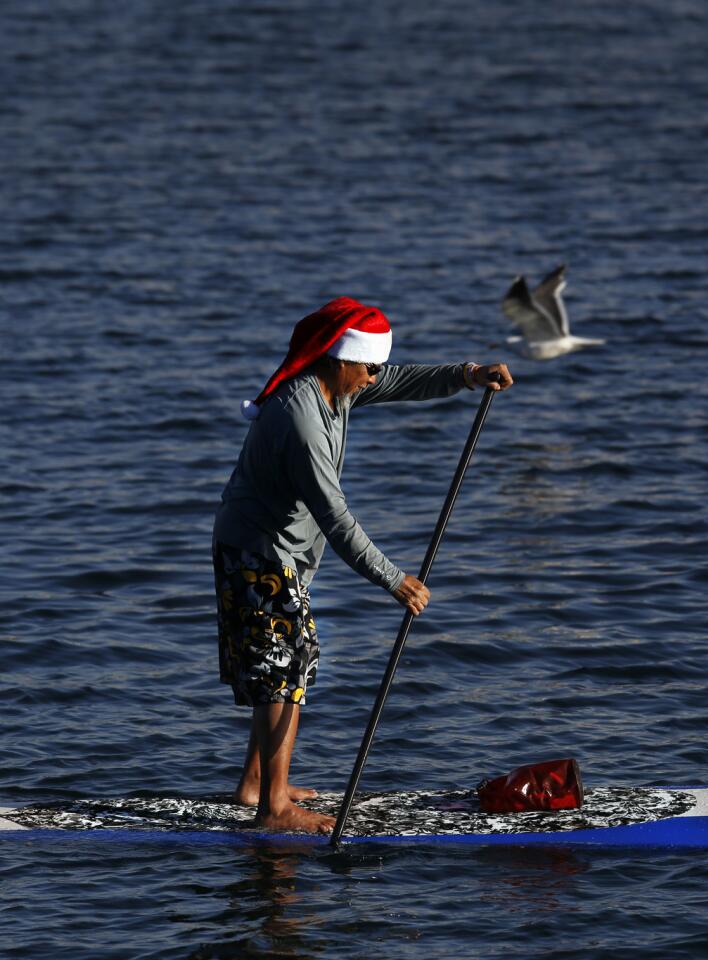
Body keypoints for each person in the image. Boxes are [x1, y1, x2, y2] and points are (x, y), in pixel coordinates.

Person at [212, 296, 513, 833]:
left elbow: (400, 380)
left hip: (279, 551)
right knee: (284, 672)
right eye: (368, 366)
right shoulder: (301, 418)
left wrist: (467, 375)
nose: (375, 377)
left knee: (285, 663)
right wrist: (393, 580)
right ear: (339, 359)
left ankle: (257, 785)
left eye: (376, 366)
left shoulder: (339, 388)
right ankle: (272, 810)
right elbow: (335, 515)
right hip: (258, 552)